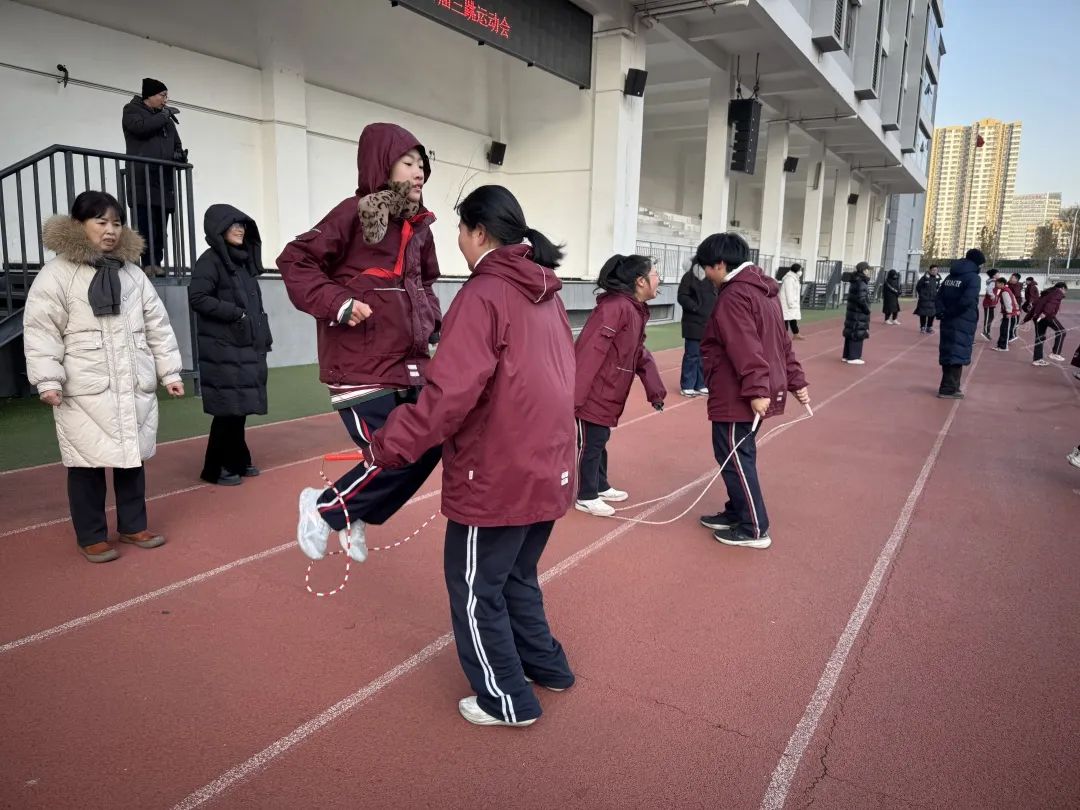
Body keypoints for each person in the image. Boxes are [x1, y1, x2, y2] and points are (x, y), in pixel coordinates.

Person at [365, 185, 576, 728]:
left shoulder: (484, 294)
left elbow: (449, 396)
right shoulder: (546, 293)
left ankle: (505, 698)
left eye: (460, 229)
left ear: (479, 232)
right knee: (517, 576)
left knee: (477, 586)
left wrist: (388, 443)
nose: (457, 240)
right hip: (547, 464)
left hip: (499, 471)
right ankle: (548, 667)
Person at [279, 123, 443, 564]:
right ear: (381, 164)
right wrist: (339, 303)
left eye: (422, 165)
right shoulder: (353, 213)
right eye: (408, 163)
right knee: (397, 453)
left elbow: (424, 285)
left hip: (410, 363)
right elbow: (295, 261)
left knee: (430, 443)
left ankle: (348, 512)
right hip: (361, 366)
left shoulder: (420, 228)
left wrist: (437, 326)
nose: (418, 172)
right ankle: (326, 508)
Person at [23, 191, 184, 563]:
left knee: (132, 458)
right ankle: (91, 535)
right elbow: (42, 329)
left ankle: (132, 525)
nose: (110, 230)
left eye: (116, 222)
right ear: (80, 225)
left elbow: (156, 325)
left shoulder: (131, 274)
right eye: (101, 222)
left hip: (131, 381)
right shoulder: (58, 274)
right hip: (84, 386)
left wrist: (169, 371)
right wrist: (48, 379)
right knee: (86, 463)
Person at [694, 233, 809, 549]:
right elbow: (781, 344)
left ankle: (753, 527)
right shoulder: (765, 292)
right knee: (733, 453)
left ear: (719, 264)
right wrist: (796, 381)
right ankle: (737, 511)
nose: (706, 275)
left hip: (739, 393)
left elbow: (744, 346)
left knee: (735, 456)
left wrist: (757, 390)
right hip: (750, 390)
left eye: (707, 268)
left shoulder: (735, 296)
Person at [574, 255, 667, 517]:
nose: (658, 278)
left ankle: (600, 485)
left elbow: (639, 354)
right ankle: (586, 494)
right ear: (640, 281)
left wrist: (655, 391)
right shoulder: (615, 308)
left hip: (610, 389)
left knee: (600, 438)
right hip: (595, 390)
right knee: (590, 443)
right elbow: (588, 352)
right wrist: (574, 398)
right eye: (655, 273)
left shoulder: (634, 310)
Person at [188, 205, 272, 486]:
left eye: (242, 224)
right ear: (218, 228)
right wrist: (236, 313)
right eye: (233, 224)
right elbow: (197, 297)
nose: (240, 229)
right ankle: (214, 468)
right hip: (223, 347)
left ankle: (238, 458)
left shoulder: (242, 262)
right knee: (227, 409)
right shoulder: (210, 261)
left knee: (240, 406)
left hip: (244, 344)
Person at [122, 78, 186, 275]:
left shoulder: (165, 119)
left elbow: (176, 143)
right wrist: (164, 117)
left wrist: (179, 155)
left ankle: (157, 262)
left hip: (163, 181)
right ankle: (147, 263)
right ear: (149, 95)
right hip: (143, 180)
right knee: (145, 224)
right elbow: (141, 128)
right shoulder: (131, 111)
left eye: (167, 96)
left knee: (160, 227)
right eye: (162, 95)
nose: (166, 100)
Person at [935, 248, 984, 398]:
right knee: (958, 353)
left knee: (948, 350)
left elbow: (939, 296)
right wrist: (951, 313)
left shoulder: (950, 276)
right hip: (962, 320)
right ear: (978, 264)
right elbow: (967, 300)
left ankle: (949, 386)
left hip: (948, 319)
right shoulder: (973, 278)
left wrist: (942, 312)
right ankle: (949, 388)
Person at [676, 259, 718, 395]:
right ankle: (687, 385)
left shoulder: (711, 279)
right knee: (692, 354)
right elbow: (682, 296)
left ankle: (701, 383)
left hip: (708, 323)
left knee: (704, 356)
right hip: (693, 323)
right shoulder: (689, 277)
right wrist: (695, 307)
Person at [1023, 281, 1068, 367]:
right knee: (1062, 331)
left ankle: (1037, 359)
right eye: (1065, 291)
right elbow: (1052, 303)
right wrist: (1045, 313)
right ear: (1062, 288)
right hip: (1047, 316)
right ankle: (1055, 353)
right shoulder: (1057, 292)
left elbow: (1035, 306)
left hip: (1038, 318)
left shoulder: (1046, 293)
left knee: (1040, 337)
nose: (1064, 293)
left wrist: (1026, 319)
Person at [842, 262, 872, 365]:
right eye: (868, 269)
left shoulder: (855, 281)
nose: (869, 272)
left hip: (853, 311)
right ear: (864, 270)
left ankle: (846, 355)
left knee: (851, 333)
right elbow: (861, 299)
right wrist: (867, 309)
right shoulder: (861, 282)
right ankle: (853, 356)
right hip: (858, 313)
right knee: (857, 332)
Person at [990, 277, 1020, 352]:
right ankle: (1000, 345)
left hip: (1009, 313)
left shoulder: (1005, 291)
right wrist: (1017, 308)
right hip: (1009, 312)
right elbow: (1014, 299)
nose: (996, 285)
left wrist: (1009, 312)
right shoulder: (1006, 290)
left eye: (997, 283)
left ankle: (1004, 347)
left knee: (1005, 330)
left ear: (1002, 284)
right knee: (1003, 329)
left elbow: (1008, 302)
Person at [778, 263, 806, 341]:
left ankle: (796, 334)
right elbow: (789, 292)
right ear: (796, 270)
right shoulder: (789, 279)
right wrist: (791, 303)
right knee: (785, 319)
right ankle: (784, 336)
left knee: (793, 318)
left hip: (792, 302)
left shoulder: (794, 278)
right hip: (787, 303)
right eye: (800, 270)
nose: (801, 271)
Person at [914, 265, 941, 333]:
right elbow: (918, 287)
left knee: (932, 314)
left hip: (933, 299)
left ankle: (929, 327)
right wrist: (922, 295)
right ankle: (922, 327)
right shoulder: (924, 278)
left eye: (936, 270)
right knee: (923, 313)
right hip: (924, 299)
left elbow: (937, 288)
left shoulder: (937, 279)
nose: (934, 271)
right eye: (933, 270)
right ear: (929, 270)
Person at [980, 268, 1000, 340]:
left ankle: (987, 332)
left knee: (991, 317)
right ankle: (985, 332)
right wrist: (992, 295)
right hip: (988, 303)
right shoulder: (992, 282)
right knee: (988, 318)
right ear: (994, 275)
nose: (999, 274)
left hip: (991, 304)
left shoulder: (995, 281)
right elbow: (989, 290)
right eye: (998, 273)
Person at [1007, 273, 1024, 341]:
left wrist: (1018, 307)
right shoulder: (1008, 284)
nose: (1011, 278)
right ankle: (1010, 335)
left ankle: (1012, 334)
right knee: (1010, 320)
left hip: (1016, 305)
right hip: (1010, 305)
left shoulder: (1018, 285)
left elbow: (1017, 296)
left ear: (1016, 279)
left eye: (1013, 277)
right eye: (1011, 277)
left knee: (1015, 320)